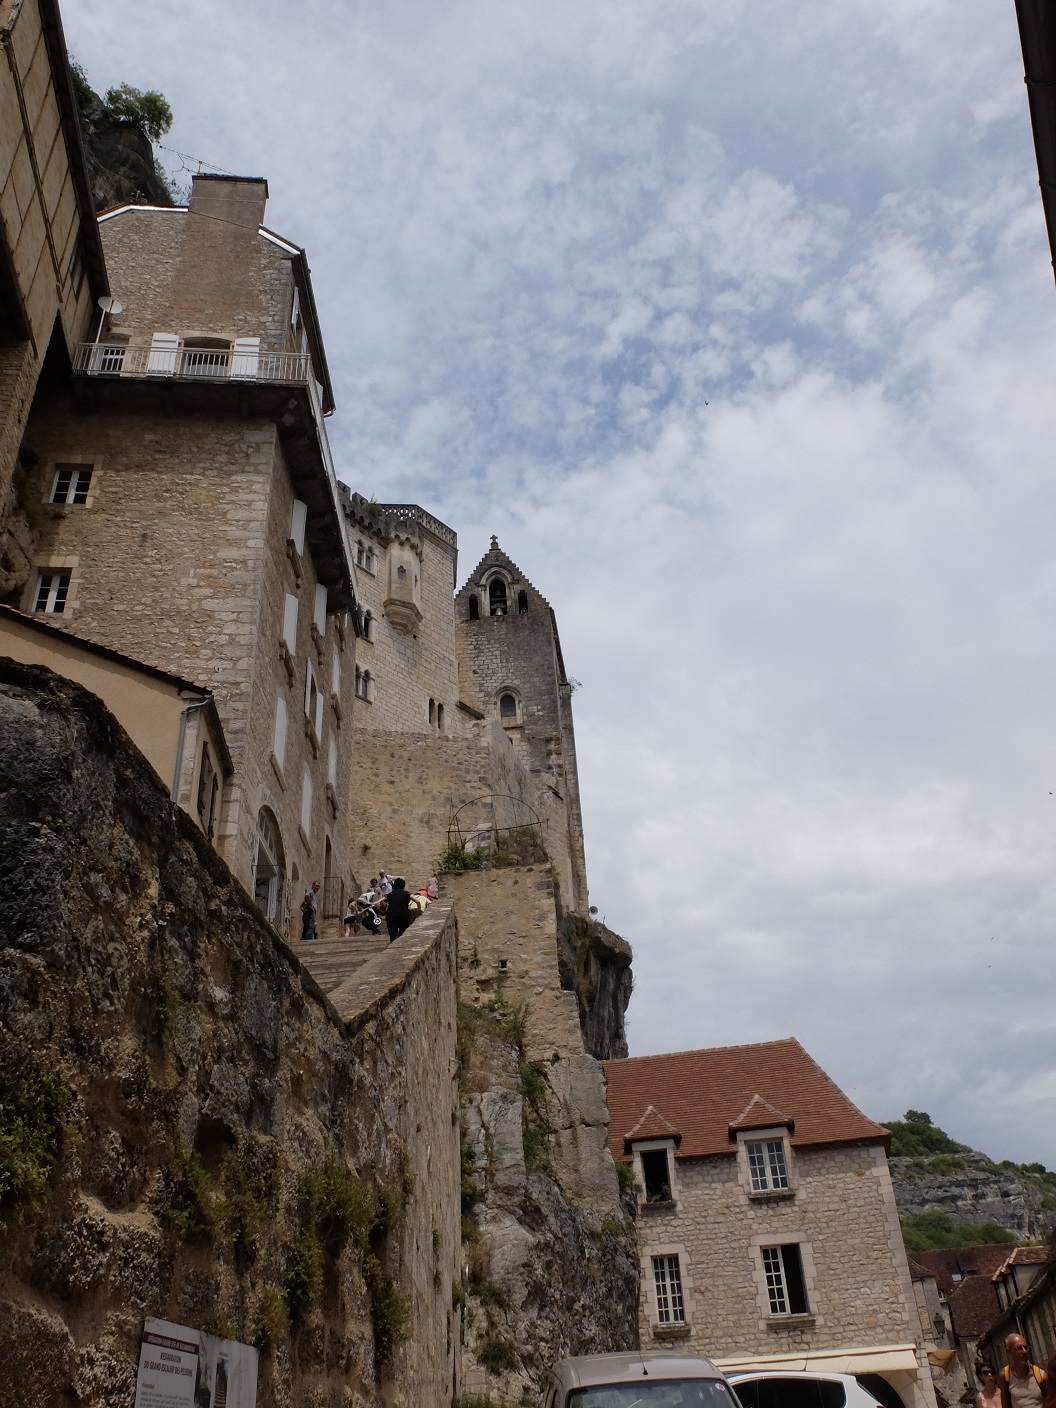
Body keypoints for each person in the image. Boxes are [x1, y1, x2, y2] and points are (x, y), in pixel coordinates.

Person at [1001, 1335, 1047, 1408]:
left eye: (1026, 1347)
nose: (1024, 1351)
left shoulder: (1041, 1376)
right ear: (1008, 1351)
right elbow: (1005, 1404)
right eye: (1019, 1348)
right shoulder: (1005, 1376)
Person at [384, 877, 413, 943]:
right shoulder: (407, 893)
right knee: (403, 934)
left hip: (391, 916)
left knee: (393, 935)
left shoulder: (390, 894)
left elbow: (379, 903)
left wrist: (383, 911)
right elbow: (417, 901)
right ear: (404, 885)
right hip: (404, 915)